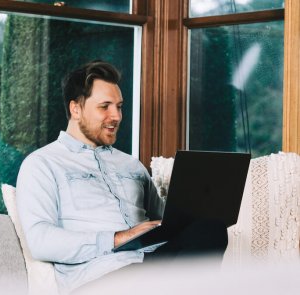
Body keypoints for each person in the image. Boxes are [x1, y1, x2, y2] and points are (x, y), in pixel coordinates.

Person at [15, 60, 227, 293]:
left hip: (149, 264)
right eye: (104, 106)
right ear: (75, 109)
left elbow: (165, 222)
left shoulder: (131, 165)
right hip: (100, 277)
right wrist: (119, 237)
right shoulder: (42, 164)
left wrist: (193, 205)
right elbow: (41, 241)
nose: (116, 116)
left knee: (210, 228)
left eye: (120, 106)